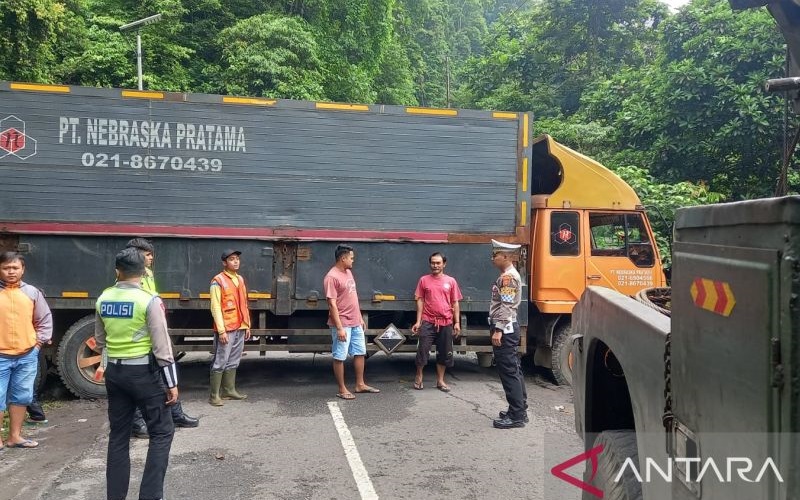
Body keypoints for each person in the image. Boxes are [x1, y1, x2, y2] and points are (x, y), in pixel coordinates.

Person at [94, 248, 178, 500]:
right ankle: (151, 496)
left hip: (115, 375)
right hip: (143, 373)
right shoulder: (149, 300)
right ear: (143, 273)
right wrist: (171, 383)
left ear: (116, 271)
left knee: (118, 436)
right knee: (162, 432)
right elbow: (163, 347)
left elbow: (100, 341)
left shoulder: (103, 298)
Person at [126, 238, 198, 435]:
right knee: (142, 382)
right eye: (148, 255)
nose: (151, 258)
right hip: (141, 337)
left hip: (153, 331)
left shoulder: (146, 273)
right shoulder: (127, 277)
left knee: (166, 374)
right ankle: (137, 422)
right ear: (137, 254)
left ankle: (175, 414)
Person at [0, 251, 52, 449]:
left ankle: (15, 437)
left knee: (21, 396)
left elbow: (44, 320)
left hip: (26, 355)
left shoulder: (32, 293)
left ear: (23, 270)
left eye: (15, 268)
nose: (11, 271)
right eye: (6, 268)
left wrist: (37, 345)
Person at [324, 244, 379, 400]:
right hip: (342, 323)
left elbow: (353, 296)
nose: (353, 261)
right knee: (340, 356)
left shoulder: (348, 272)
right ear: (343, 258)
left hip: (355, 322)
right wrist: (340, 328)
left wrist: (360, 317)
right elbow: (332, 304)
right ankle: (342, 389)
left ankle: (360, 384)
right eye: (351, 258)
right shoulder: (331, 277)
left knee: (360, 352)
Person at [489, 240, 528, 429]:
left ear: (506, 256)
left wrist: (498, 329)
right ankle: (520, 409)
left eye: (495, 255)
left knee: (509, 371)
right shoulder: (509, 275)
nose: (492, 258)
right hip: (508, 327)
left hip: (504, 328)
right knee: (515, 369)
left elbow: (506, 306)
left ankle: (516, 416)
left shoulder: (508, 278)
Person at [411, 252, 462, 392]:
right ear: (430, 264)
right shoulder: (424, 280)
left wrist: (457, 322)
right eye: (433, 263)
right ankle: (419, 377)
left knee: (445, 353)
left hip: (446, 322)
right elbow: (420, 300)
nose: (435, 265)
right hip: (428, 321)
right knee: (422, 351)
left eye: (438, 263)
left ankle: (440, 381)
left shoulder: (451, 281)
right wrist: (418, 321)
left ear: (444, 264)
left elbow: (455, 303)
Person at [208, 249, 251, 406]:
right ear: (224, 263)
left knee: (233, 360)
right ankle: (214, 396)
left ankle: (229, 390)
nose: (236, 261)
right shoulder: (217, 281)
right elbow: (215, 307)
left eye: (237, 259)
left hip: (239, 326)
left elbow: (244, 304)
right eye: (232, 259)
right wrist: (221, 330)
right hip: (226, 328)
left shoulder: (239, 279)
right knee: (220, 360)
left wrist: (247, 325)